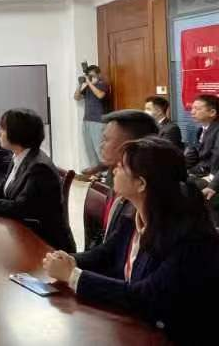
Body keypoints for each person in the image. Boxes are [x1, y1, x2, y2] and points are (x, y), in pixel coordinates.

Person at [43, 137, 219, 345]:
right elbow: (105, 254)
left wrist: (73, 276)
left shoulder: (190, 237)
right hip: (134, 327)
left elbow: (145, 296)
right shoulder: (133, 216)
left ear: (141, 183)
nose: (114, 170)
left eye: (121, 166)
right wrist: (67, 260)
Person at [0, 109, 75, 252]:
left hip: (44, 244)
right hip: (22, 233)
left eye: (3, 129)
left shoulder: (39, 167)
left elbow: (20, 208)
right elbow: (2, 189)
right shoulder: (18, 156)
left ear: (18, 133)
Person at [90, 110, 159, 249]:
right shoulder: (114, 175)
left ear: (130, 145)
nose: (101, 146)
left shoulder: (143, 196)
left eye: (106, 140)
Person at [74, 65, 110, 172]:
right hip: (86, 120)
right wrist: (81, 84)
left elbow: (100, 95)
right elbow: (76, 97)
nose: (90, 78)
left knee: (100, 148)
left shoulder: (102, 84)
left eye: (92, 75)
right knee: (89, 149)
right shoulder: (87, 87)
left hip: (98, 121)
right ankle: (96, 172)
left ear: (98, 75)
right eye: (89, 76)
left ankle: (106, 174)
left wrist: (90, 83)